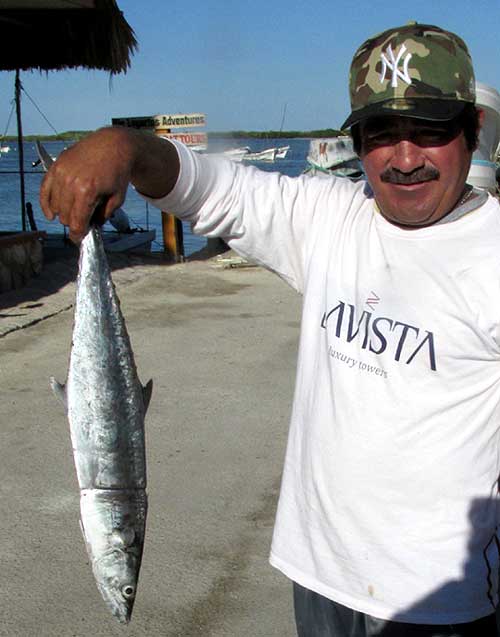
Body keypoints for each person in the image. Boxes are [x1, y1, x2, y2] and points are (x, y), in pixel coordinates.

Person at [40, 22, 500, 637]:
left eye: (431, 130)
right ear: (359, 141)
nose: (405, 157)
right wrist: (123, 146)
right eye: (382, 133)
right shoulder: (329, 218)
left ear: (471, 131)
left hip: (439, 602)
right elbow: (206, 187)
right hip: (317, 577)